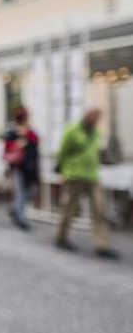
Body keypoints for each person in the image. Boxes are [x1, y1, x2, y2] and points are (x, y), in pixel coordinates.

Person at [55, 108, 119, 259]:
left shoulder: (96, 132)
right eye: (95, 115)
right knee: (70, 208)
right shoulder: (72, 130)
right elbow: (62, 153)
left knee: (99, 210)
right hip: (74, 175)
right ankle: (61, 237)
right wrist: (63, 172)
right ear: (87, 115)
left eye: (99, 116)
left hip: (92, 176)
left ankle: (102, 245)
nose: (96, 119)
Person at [3, 107, 40, 230]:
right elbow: (6, 148)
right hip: (18, 167)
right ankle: (21, 218)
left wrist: (26, 134)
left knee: (30, 191)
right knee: (19, 193)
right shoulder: (12, 133)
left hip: (30, 167)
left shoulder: (30, 133)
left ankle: (16, 209)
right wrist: (17, 144)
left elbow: (36, 141)